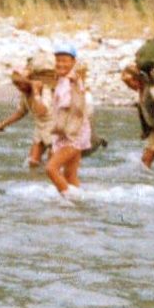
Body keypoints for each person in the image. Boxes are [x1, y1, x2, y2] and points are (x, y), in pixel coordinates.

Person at [0, 53, 55, 168]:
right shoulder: (25, 94)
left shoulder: (45, 90)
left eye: (21, 84)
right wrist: (3, 124)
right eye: (17, 85)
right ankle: (36, 183)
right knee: (32, 163)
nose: (20, 88)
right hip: (40, 129)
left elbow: (42, 111)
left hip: (54, 129)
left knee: (52, 166)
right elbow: (21, 112)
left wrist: (36, 92)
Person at [44, 47, 90, 197]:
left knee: (51, 169)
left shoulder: (73, 79)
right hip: (70, 131)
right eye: (58, 60)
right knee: (70, 175)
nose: (60, 64)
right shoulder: (63, 79)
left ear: (73, 62)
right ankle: (78, 202)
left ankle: (68, 201)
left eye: (65, 60)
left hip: (74, 133)